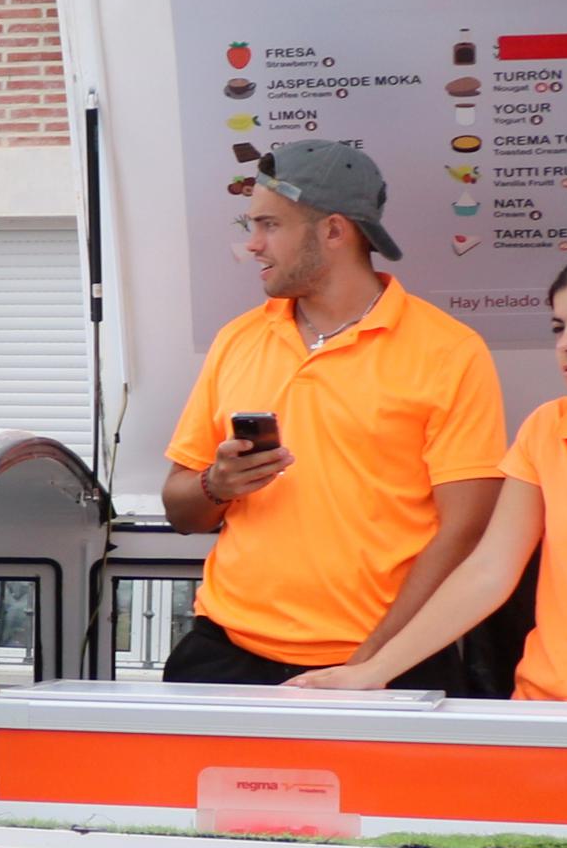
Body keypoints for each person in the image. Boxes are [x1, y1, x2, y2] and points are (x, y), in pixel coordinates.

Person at [159, 144, 505, 687]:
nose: (252, 245)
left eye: (269, 225)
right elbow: (181, 511)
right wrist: (216, 484)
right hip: (227, 653)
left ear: (335, 231)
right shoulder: (238, 340)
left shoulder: (449, 350)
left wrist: (369, 665)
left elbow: (465, 530)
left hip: (388, 663)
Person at [300, 242, 567, 701]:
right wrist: (374, 670)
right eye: (558, 326)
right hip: (551, 715)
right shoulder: (546, 429)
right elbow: (489, 570)